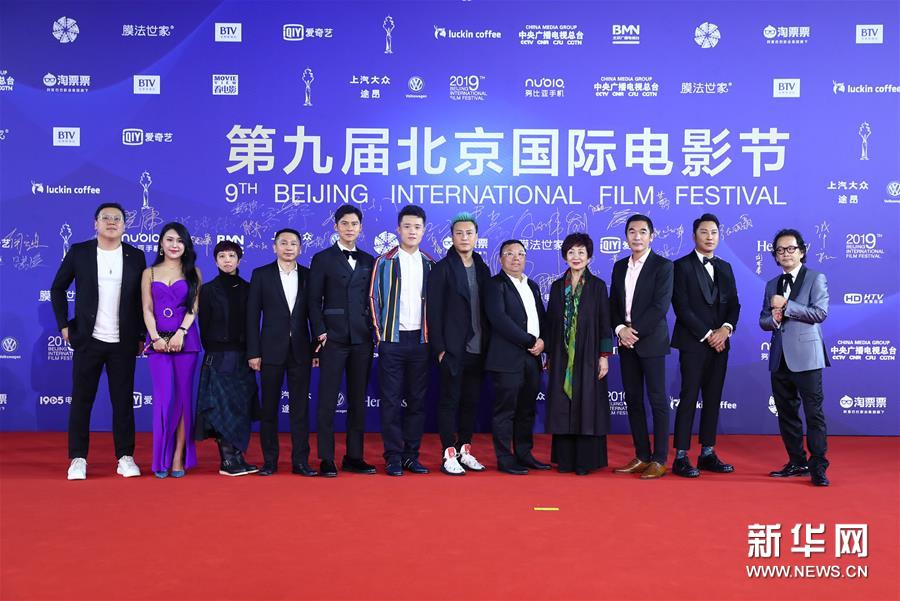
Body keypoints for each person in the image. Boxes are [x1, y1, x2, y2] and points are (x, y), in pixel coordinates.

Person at [51, 202, 147, 480]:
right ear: (96, 223)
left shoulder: (135, 256)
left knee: (123, 402)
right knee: (82, 400)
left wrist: (141, 335)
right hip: (88, 340)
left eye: (117, 218)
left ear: (124, 225)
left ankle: (125, 457)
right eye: (105, 218)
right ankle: (78, 458)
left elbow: (141, 300)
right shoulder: (79, 252)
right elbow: (57, 288)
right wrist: (64, 325)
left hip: (123, 342)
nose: (111, 222)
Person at [308, 206, 377, 477]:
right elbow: (313, 300)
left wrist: (374, 331)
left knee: (358, 400)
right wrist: (320, 332)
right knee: (327, 400)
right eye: (344, 223)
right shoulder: (322, 258)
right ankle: (326, 458)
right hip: (333, 338)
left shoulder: (369, 260)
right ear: (335, 226)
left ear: (361, 227)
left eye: (354, 223)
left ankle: (354, 456)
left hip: (362, 338)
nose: (350, 228)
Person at [670, 214, 741, 478]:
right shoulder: (680, 266)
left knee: (713, 398)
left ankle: (707, 452)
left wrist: (725, 330)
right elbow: (681, 307)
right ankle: (680, 456)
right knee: (688, 397)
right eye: (704, 232)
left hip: (721, 344)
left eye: (714, 232)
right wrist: (708, 334)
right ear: (694, 236)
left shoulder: (726, 267)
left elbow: (734, 304)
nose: (709, 237)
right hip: (693, 342)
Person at [759, 229, 831, 487]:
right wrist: (774, 318)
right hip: (779, 358)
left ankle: (818, 466)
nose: (785, 253)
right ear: (775, 256)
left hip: (808, 357)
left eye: (791, 248)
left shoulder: (815, 278)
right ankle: (797, 461)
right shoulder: (771, 284)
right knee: (786, 413)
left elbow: (820, 313)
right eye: (780, 250)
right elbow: (763, 320)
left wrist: (787, 306)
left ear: (801, 251)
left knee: (814, 413)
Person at [369, 206, 435, 476]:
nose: (412, 231)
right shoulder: (384, 261)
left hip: (421, 341)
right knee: (391, 401)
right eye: (407, 226)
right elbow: (373, 298)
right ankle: (393, 456)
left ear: (424, 230)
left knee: (417, 402)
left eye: (417, 227)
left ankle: (411, 455)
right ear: (398, 229)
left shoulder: (430, 264)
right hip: (392, 341)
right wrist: (380, 337)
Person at [247, 228, 317, 477]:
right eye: (283, 243)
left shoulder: (309, 275)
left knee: (300, 409)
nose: (288, 247)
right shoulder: (261, 275)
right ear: (274, 247)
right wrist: (253, 352)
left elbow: (314, 315)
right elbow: (252, 316)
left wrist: (315, 350)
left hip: (301, 351)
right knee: (269, 409)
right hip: (269, 351)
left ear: (300, 248)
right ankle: (270, 461)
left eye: (293, 243)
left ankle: (300, 461)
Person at [610, 214, 674, 479]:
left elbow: (660, 306)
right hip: (625, 341)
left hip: (651, 341)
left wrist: (632, 333)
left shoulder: (663, 266)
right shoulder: (618, 267)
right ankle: (642, 456)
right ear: (626, 236)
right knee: (633, 400)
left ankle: (659, 459)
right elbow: (613, 304)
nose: (637, 236)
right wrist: (620, 330)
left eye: (643, 231)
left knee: (657, 400)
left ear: (652, 236)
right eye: (632, 231)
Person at [427, 212, 491, 476]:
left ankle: (465, 449)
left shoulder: (483, 268)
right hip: (452, 349)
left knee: (470, 402)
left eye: (469, 233)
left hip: (478, 348)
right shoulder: (442, 269)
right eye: (459, 233)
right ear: (451, 237)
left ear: (476, 237)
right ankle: (448, 453)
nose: (464, 237)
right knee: (449, 402)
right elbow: (433, 312)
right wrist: (440, 349)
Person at [545, 233, 613, 476]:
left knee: (587, 404)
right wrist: (549, 354)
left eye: (581, 252)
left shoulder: (597, 286)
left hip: (588, 354)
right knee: (563, 404)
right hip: (561, 355)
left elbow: (605, 322)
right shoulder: (556, 287)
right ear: (565, 256)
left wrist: (603, 355)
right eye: (571, 252)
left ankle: (585, 461)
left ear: (589, 257)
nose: (576, 257)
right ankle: (565, 460)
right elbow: (550, 323)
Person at [141, 222, 202, 478]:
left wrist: (180, 333)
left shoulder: (193, 272)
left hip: (186, 343)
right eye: (170, 239)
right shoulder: (149, 272)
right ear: (161, 243)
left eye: (180, 241)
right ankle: (161, 458)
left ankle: (178, 456)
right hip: (157, 344)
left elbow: (193, 308)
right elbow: (147, 308)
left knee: (183, 399)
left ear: (186, 245)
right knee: (164, 400)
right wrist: (155, 337)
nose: (175, 245)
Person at [484, 239, 549, 475]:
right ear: (500, 259)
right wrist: (530, 341)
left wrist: (543, 342)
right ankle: (505, 458)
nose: (515, 258)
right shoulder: (494, 285)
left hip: (532, 358)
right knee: (506, 411)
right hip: (506, 358)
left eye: (520, 253)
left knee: (526, 410)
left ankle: (524, 453)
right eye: (509, 254)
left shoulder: (532, 285)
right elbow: (500, 320)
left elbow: (542, 318)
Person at [194, 240, 259, 476]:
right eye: (222, 256)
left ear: (239, 259)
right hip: (219, 356)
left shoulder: (249, 289)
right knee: (222, 408)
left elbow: (253, 324)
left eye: (231, 256)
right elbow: (204, 326)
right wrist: (216, 351)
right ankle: (228, 461)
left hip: (244, 356)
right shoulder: (208, 290)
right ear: (215, 261)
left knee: (240, 406)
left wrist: (252, 352)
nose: (227, 260)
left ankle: (238, 456)